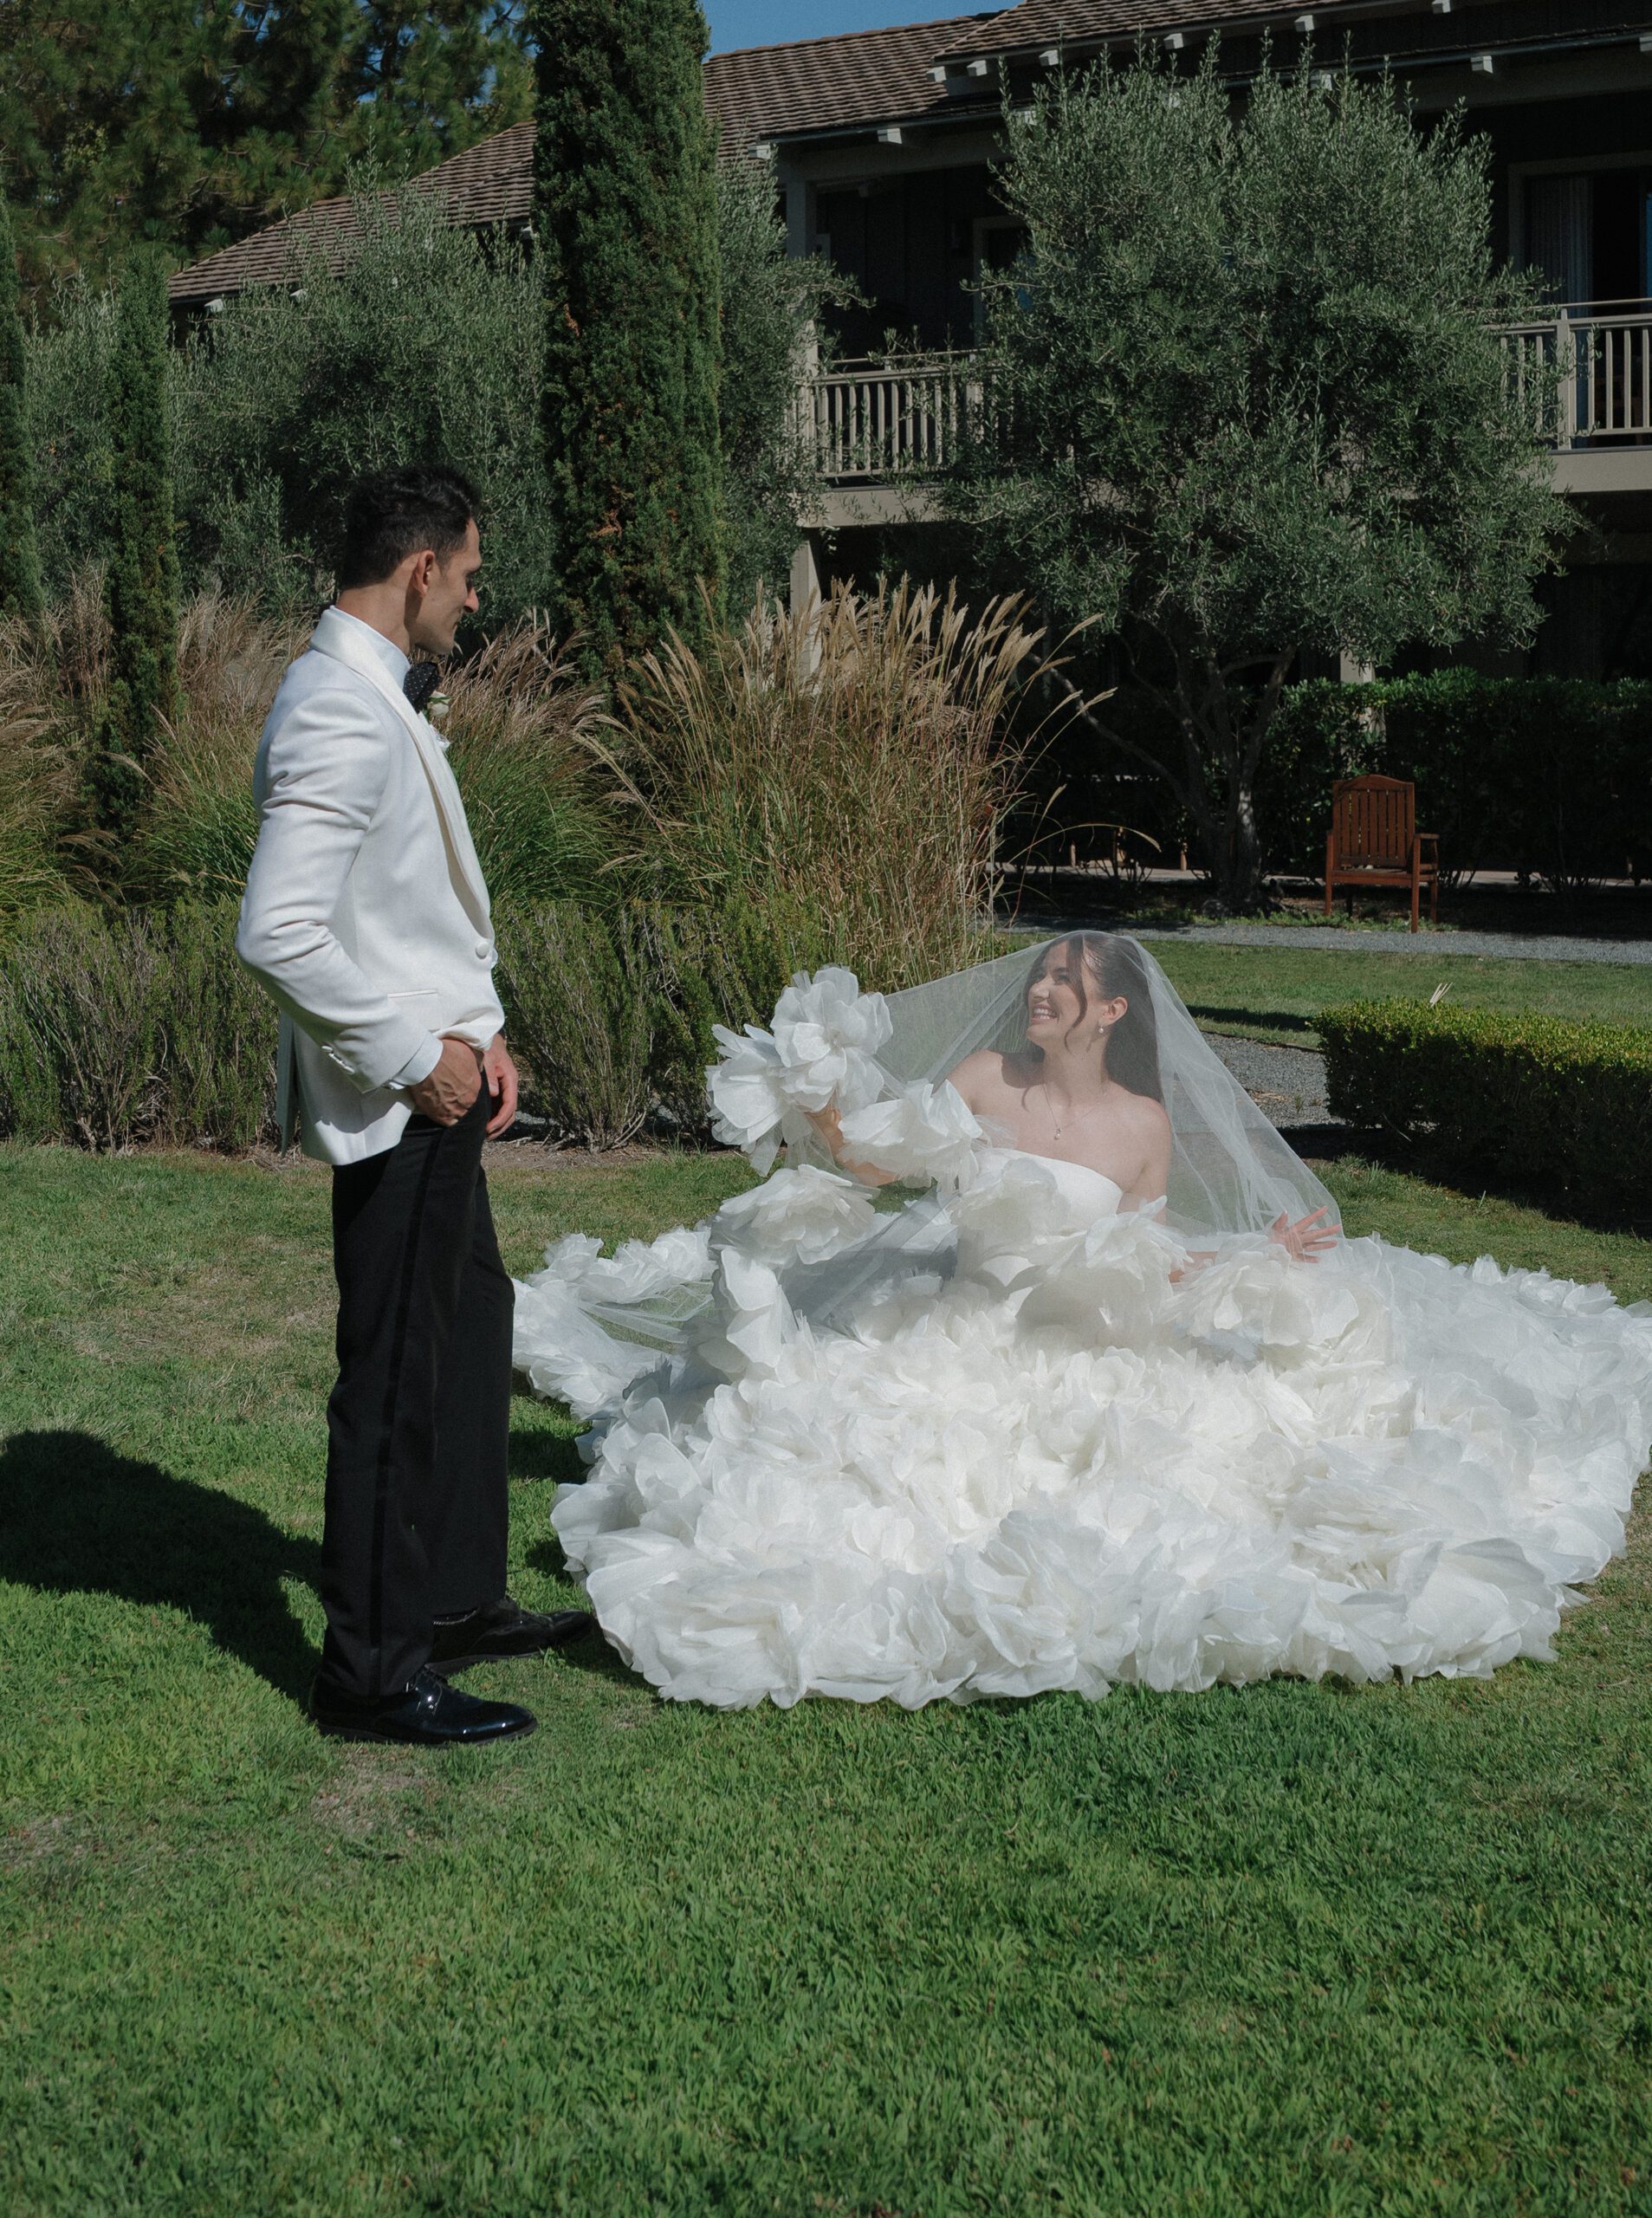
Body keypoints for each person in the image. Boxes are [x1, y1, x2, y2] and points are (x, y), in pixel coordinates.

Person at [513, 933, 1652, 1711]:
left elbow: (1148, 1254)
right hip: (958, 1327)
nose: (1044, 989)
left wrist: (1256, 1252)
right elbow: (871, 1162)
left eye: (1068, 980)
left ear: (1111, 1010)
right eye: (1042, 973)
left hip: (1083, 1347)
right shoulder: (982, 1079)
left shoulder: (1142, 1123)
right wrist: (816, 1098)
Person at [236, 463, 592, 1747]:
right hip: (402, 1103)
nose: (475, 600)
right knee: (394, 1377)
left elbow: (401, 905)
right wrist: (413, 1056)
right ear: (422, 568)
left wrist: (479, 1032)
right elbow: (277, 930)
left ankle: (451, 1595)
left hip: (444, 1080)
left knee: (472, 1320)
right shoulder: (338, 704)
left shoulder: (375, 692)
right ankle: (373, 1673)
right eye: (472, 575)